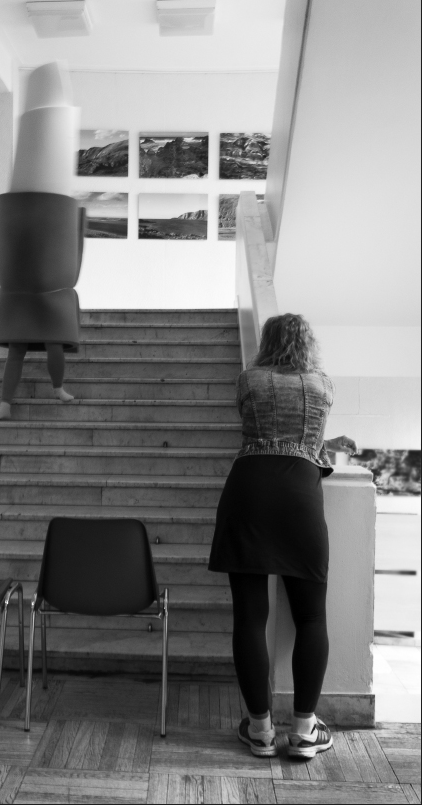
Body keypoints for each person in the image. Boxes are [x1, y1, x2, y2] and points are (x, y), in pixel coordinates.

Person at [208, 313, 357, 760]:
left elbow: (260, 428)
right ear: (308, 343)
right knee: (311, 617)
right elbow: (308, 442)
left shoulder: (248, 381)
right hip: (299, 497)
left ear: (266, 341)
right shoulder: (323, 385)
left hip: (248, 492)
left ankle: (260, 731)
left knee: (250, 618)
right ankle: (306, 731)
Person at [0, 61, 82, 422]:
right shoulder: (23, 216)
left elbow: (67, 250)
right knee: (18, 348)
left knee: (50, 343)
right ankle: (5, 404)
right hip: (22, 289)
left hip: (50, 290)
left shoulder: (57, 219)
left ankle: (56, 389)